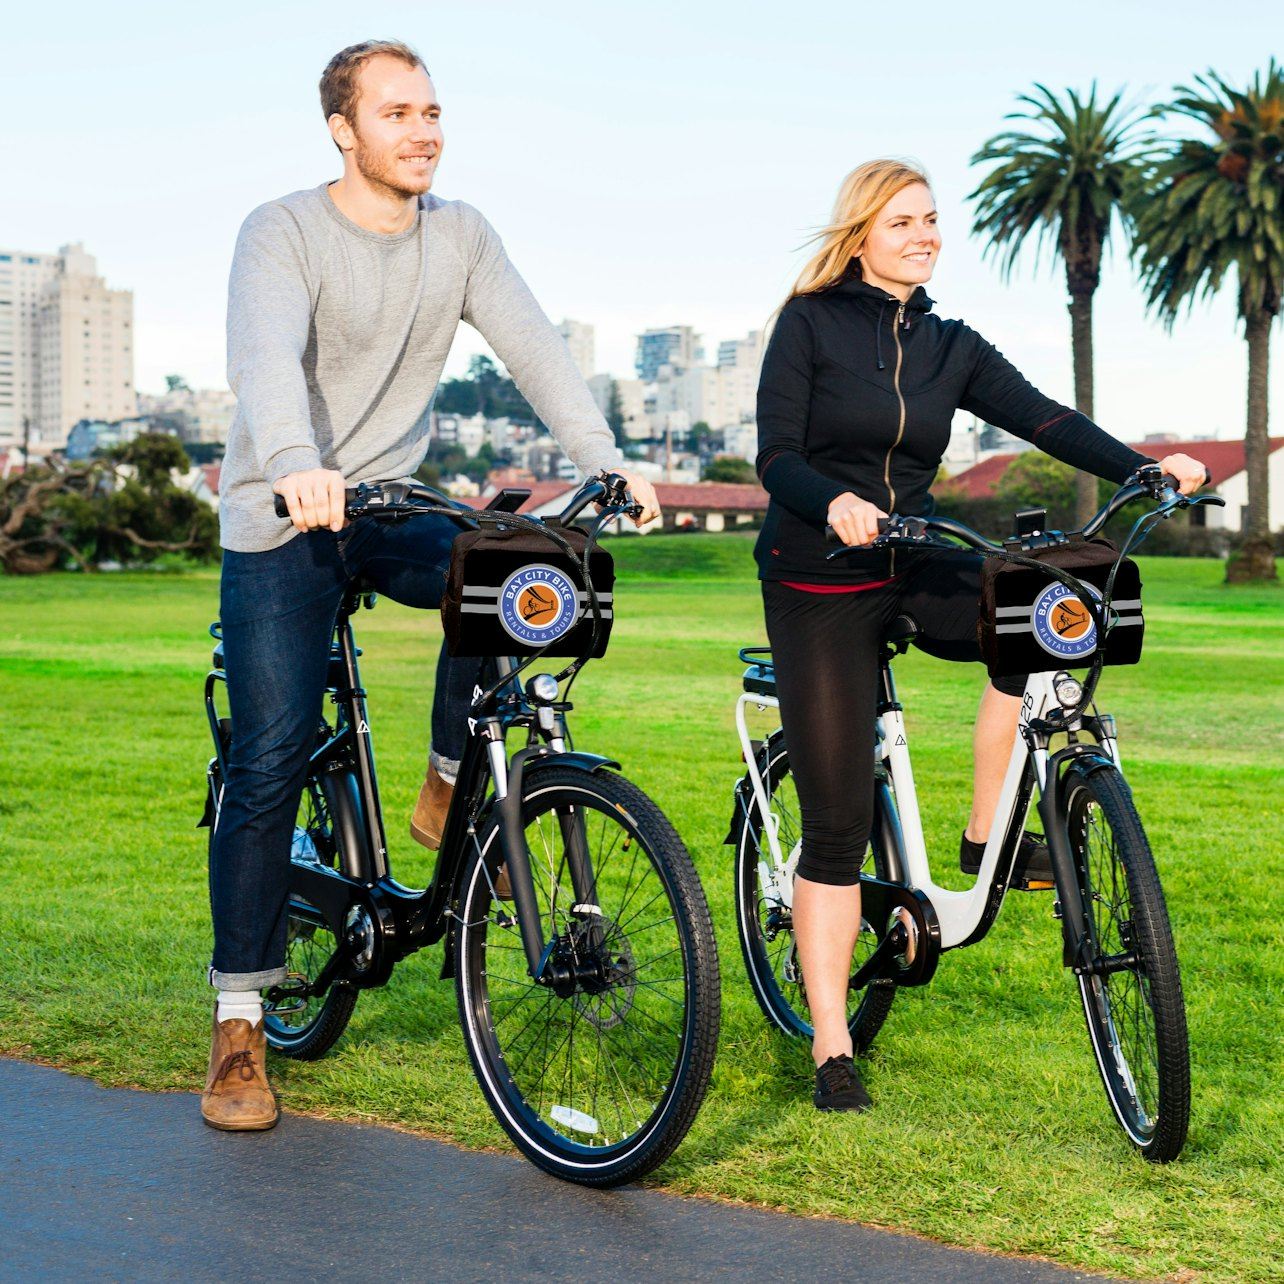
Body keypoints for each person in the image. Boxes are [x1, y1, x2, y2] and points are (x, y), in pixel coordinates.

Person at [201, 39, 659, 1131]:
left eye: (433, 112)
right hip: (286, 508)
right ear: (342, 129)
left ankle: (452, 779)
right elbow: (264, 361)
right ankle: (238, 1022)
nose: (422, 130)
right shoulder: (283, 229)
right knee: (269, 757)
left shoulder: (460, 235)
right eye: (397, 112)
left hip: (394, 500)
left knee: (510, 570)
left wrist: (608, 460)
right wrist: (293, 463)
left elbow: (537, 351)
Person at [753, 159, 1205, 1114]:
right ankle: (832, 1043)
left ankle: (982, 835)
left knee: (1043, 618)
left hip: (914, 554)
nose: (924, 235)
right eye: (903, 221)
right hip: (819, 574)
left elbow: (1045, 418)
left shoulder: (950, 345)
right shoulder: (809, 324)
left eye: (931, 221)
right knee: (837, 827)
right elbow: (777, 456)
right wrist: (831, 502)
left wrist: (1145, 469)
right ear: (861, 233)